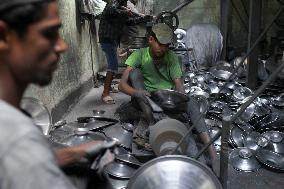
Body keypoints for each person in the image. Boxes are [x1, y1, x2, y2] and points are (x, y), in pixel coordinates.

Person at [0, 1, 115, 188]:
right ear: (4, 36)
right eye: (49, 34)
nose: (62, 46)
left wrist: (73, 154)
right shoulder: (18, 138)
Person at [118, 23, 217, 163]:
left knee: (192, 103)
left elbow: (179, 85)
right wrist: (137, 92)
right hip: (145, 98)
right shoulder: (139, 55)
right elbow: (121, 86)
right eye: (160, 44)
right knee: (135, 73)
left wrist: (181, 100)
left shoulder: (171, 57)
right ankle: (151, 122)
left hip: (167, 98)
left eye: (166, 45)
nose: (162, 48)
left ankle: (212, 152)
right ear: (151, 40)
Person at [98, 0, 151, 104]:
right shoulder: (115, 2)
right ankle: (105, 93)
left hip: (112, 39)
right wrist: (125, 12)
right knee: (113, 66)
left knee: (112, 65)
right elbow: (110, 10)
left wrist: (143, 18)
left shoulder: (122, 5)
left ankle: (108, 88)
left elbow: (128, 22)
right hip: (107, 38)